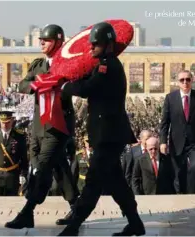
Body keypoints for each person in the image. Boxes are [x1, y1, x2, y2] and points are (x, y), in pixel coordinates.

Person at [57, 22, 145, 236]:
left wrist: (66, 87)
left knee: (93, 182)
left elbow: (89, 88)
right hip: (107, 135)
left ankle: (74, 225)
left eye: (95, 44)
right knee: (116, 183)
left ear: (107, 45)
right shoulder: (104, 65)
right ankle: (135, 224)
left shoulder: (108, 65)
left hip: (108, 135)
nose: (91, 48)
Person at [5, 24, 79, 229]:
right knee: (58, 165)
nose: (41, 44)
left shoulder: (67, 64)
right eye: (40, 40)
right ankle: (77, 206)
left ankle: (27, 212)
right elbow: (22, 84)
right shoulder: (38, 64)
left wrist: (59, 83)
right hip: (39, 125)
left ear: (58, 42)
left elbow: (78, 84)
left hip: (59, 124)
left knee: (43, 166)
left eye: (45, 40)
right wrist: (36, 85)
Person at [159, 70, 195, 194]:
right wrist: (163, 141)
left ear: (191, 81)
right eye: (182, 80)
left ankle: (192, 195)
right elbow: (165, 122)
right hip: (177, 141)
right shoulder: (170, 98)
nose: (185, 82)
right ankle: (182, 195)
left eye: (188, 79)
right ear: (178, 82)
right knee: (179, 172)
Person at [0, 111, 28, 196]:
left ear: (12, 120)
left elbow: (24, 157)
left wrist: (23, 174)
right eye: (3, 122)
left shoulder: (19, 136)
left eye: (7, 122)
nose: (5, 125)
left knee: (11, 203)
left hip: (12, 174)